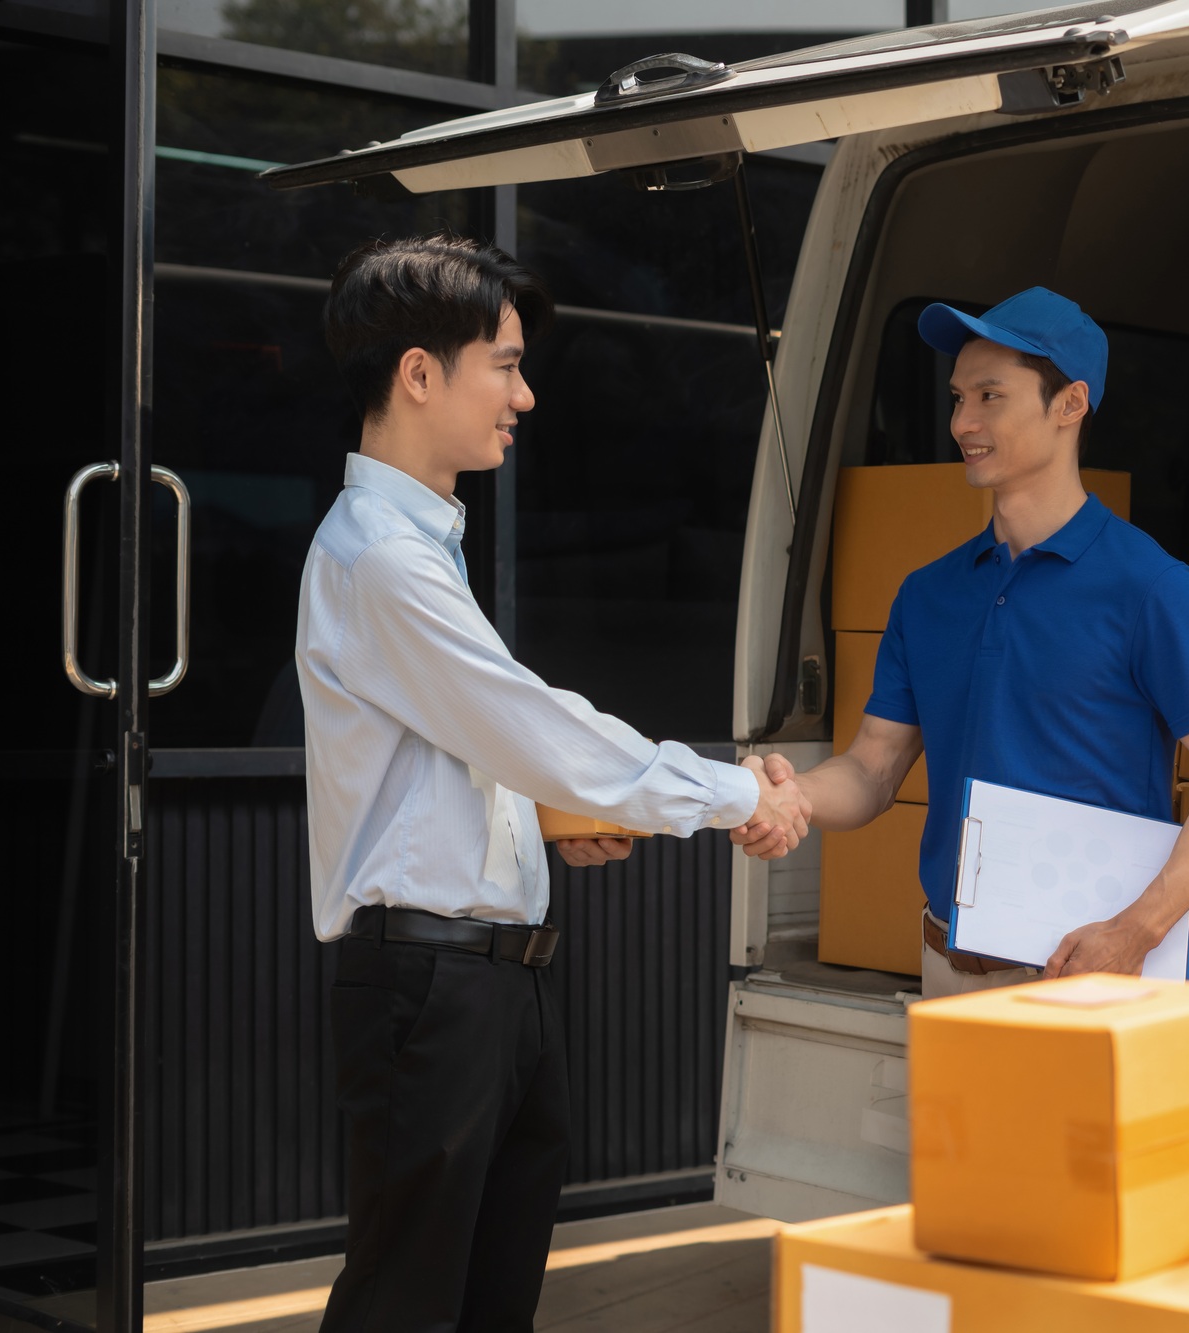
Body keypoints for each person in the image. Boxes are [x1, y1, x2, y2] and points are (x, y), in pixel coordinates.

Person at [295, 233, 809, 1330]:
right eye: (506, 364)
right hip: (430, 984)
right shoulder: (381, 558)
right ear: (420, 373)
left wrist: (546, 820)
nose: (523, 396)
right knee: (409, 1303)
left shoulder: (419, 547)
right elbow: (532, 724)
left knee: (487, 1296)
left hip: (490, 979)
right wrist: (733, 794)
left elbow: (472, 749)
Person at [734, 286, 1189, 997]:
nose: (962, 421)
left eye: (991, 396)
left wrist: (1140, 927)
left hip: (1090, 972)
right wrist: (785, 794)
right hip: (945, 965)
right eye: (958, 397)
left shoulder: (1149, 588)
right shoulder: (928, 595)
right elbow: (872, 769)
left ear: (1070, 404)